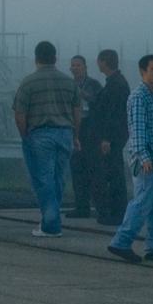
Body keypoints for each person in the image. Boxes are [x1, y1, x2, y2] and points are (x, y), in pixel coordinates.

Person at [107, 54, 153, 263]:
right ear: (142, 71)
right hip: (145, 160)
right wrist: (144, 156)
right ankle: (121, 241)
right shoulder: (138, 97)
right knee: (141, 202)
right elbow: (137, 130)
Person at [13, 41, 81, 237]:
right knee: (58, 179)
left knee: (43, 180)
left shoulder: (28, 82)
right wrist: (75, 135)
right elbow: (77, 111)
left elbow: (20, 114)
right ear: (55, 58)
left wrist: (24, 135)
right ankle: (51, 217)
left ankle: (50, 224)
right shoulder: (69, 82)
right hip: (65, 133)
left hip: (40, 134)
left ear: (36, 59)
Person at [91, 49, 131, 225]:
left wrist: (107, 138)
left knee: (114, 174)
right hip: (116, 135)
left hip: (113, 136)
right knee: (112, 172)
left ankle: (117, 212)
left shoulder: (116, 85)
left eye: (99, 61)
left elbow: (114, 114)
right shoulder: (115, 82)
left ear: (104, 62)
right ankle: (116, 211)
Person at [65, 55, 103, 218]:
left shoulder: (94, 84)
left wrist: (83, 95)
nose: (75, 68)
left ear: (85, 67)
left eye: (78, 65)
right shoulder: (67, 85)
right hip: (74, 127)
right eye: (72, 65)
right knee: (76, 168)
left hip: (90, 128)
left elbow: (100, 104)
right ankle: (81, 206)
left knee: (93, 168)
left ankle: (100, 206)